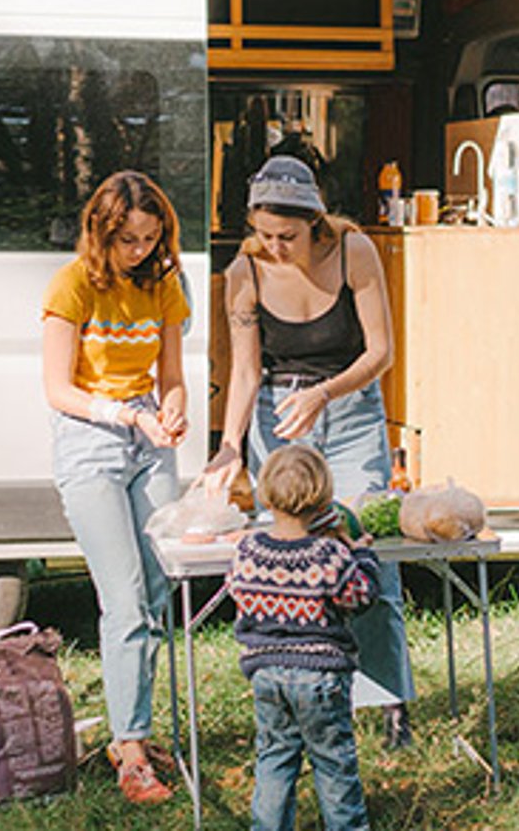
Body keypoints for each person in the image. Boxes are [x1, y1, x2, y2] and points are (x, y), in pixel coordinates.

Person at [204, 155, 419, 748]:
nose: (274, 247)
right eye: (265, 234)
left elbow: (381, 352)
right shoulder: (244, 272)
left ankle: (390, 700)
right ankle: (305, 698)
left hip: (348, 411)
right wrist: (229, 448)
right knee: (291, 558)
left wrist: (325, 393)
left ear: (315, 221)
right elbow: (245, 372)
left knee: (366, 551)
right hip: (279, 415)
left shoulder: (354, 252)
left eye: (287, 236)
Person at [41, 170, 190, 805]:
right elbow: (57, 389)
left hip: (147, 434)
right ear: (101, 234)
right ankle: (131, 748)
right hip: (91, 438)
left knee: (157, 587)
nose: (140, 252)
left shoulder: (163, 284)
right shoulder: (71, 285)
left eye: (151, 240)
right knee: (124, 598)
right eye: (128, 240)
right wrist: (126, 414)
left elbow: (174, 374)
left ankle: (135, 728)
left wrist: (175, 410)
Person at [227, 444, 379, 831]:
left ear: (265, 494)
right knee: (333, 763)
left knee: (275, 757)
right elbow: (361, 597)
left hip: (265, 672)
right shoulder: (328, 553)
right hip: (320, 676)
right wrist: (361, 556)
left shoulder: (248, 549)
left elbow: (236, 589)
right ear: (324, 498)